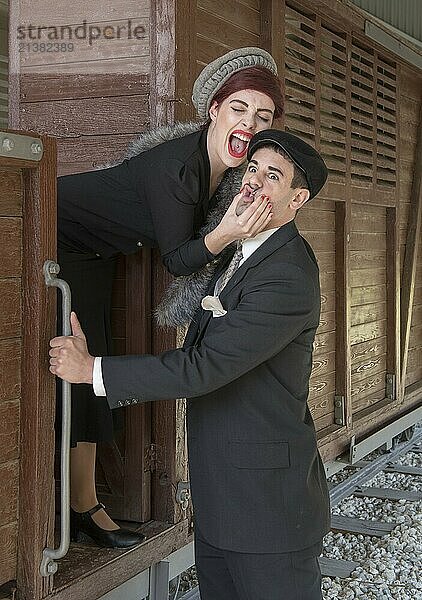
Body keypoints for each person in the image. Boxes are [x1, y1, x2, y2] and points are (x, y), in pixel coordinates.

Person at [50, 129, 331, 599]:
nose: (253, 183)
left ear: (297, 199)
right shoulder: (243, 252)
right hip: (223, 498)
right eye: (252, 170)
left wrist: (93, 370)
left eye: (272, 177)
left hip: (267, 510)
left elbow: (203, 367)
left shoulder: (287, 275)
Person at [57, 47, 284, 548]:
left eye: (262, 116)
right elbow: (177, 260)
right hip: (58, 231)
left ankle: (81, 504)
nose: (249, 122)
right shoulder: (178, 169)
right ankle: (80, 507)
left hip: (95, 252)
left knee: (93, 361)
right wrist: (224, 234)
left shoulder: (226, 169)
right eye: (239, 109)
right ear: (214, 112)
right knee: (77, 362)